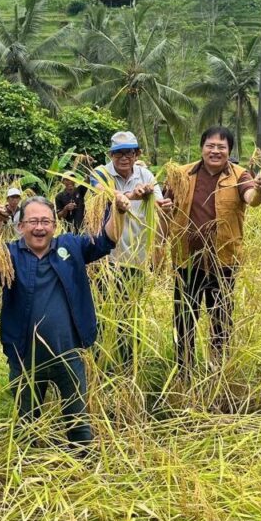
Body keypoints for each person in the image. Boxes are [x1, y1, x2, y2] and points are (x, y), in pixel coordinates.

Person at [0, 192, 131, 448]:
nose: (39, 227)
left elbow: (105, 240)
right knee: (27, 425)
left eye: (45, 221)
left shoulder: (70, 247)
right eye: (33, 221)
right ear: (20, 226)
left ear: (55, 225)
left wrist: (119, 212)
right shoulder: (9, 254)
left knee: (79, 423)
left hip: (68, 355)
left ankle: (83, 461)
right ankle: (26, 465)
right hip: (24, 357)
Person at [164, 127, 261, 374]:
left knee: (220, 320)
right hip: (187, 262)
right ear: (202, 148)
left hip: (223, 263)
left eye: (222, 147)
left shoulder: (240, 175)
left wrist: (260, 188)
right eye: (210, 145)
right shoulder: (181, 174)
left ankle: (216, 371)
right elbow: (165, 207)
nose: (215, 151)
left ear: (229, 151)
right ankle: (184, 371)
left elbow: (252, 198)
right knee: (183, 319)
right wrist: (163, 209)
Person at [89, 131, 172, 368]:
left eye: (129, 152)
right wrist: (131, 195)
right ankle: (97, 366)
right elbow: (108, 195)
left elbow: (158, 205)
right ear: (111, 155)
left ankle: (127, 368)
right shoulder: (100, 174)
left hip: (135, 259)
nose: (124, 157)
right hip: (104, 260)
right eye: (118, 153)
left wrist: (164, 206)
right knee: (101, 315)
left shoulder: (146, 175)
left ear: (137, 154)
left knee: (129, 317)